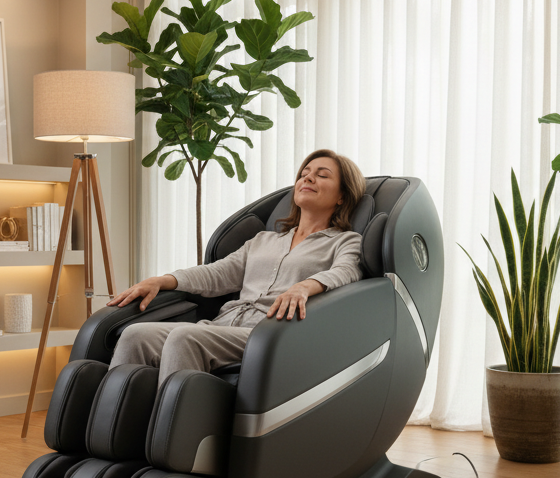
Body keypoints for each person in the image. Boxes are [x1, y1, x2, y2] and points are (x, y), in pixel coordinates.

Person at [106, 149, 366, 386]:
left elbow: (347, 271)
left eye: (322, 175)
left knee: (185, 337)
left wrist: (305, 286)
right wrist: (162, 280)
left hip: (268, 334)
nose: (307, 179)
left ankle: (172, 434)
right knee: (135, 335)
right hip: (223, 327)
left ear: (342, 195)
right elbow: (217, 273)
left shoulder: (346, 240)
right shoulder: (264, 240)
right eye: (304, 174)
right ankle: (116, 432)